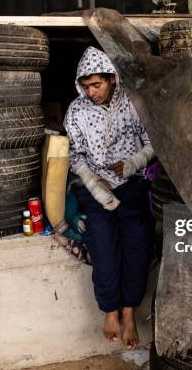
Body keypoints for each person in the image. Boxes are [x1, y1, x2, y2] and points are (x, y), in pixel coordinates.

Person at [64, 46, 154, 350]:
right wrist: (92, 180)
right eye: (86, 86)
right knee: (102, 249)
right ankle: (111, 312)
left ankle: (129, 313)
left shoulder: (133, 103)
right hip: (94, 189)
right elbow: (74, 154)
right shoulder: (76, 111)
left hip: (132, 186)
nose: (91, 92)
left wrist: (132, 164)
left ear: (111, 79)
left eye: (97, 85)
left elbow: (152, 142)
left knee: (136, 248)